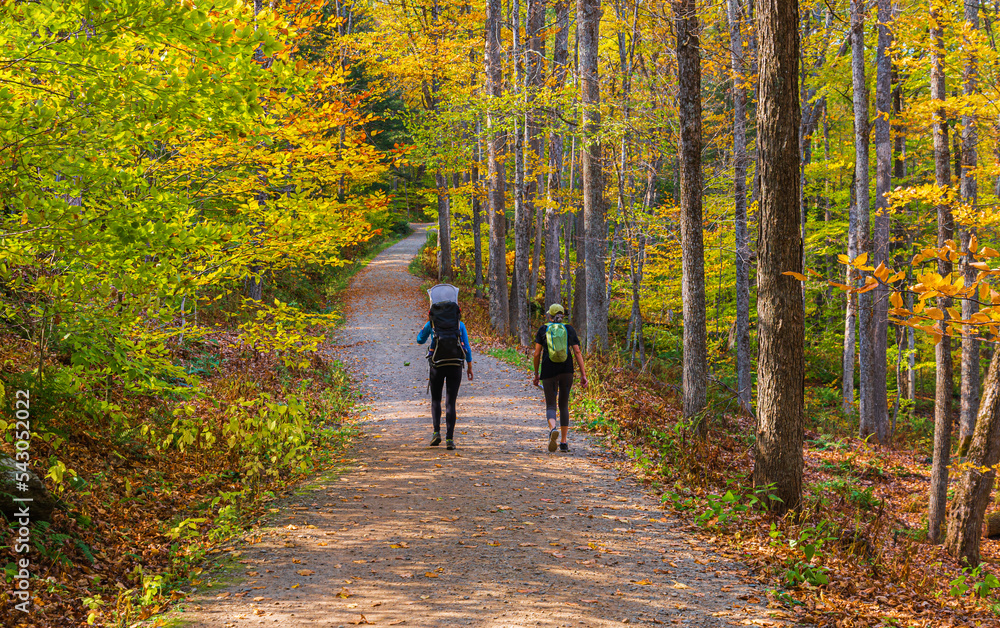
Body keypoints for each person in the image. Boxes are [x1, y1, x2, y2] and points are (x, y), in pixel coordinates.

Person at [417, 303, 473, 450]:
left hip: (437, 365)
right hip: (455, 365)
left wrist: (427, 329)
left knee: (436, 399)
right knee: (451, 402)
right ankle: (450, 439)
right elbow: (466, 347)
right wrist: (469, 366)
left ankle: (436, 432)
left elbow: (419, 340)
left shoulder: (432, 324)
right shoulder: (459, 325)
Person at [532, 303, 587, 452]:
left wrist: (536, 374)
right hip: (567, 370)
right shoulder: (569, 329)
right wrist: (583, 374)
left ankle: (552, 429)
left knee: (551, 405)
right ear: (562, 316)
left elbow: (536, 353)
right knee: (563, 404)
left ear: (549, 315)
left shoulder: (543, 329)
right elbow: (577, 352)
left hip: (548, 370)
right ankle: (563, 442)